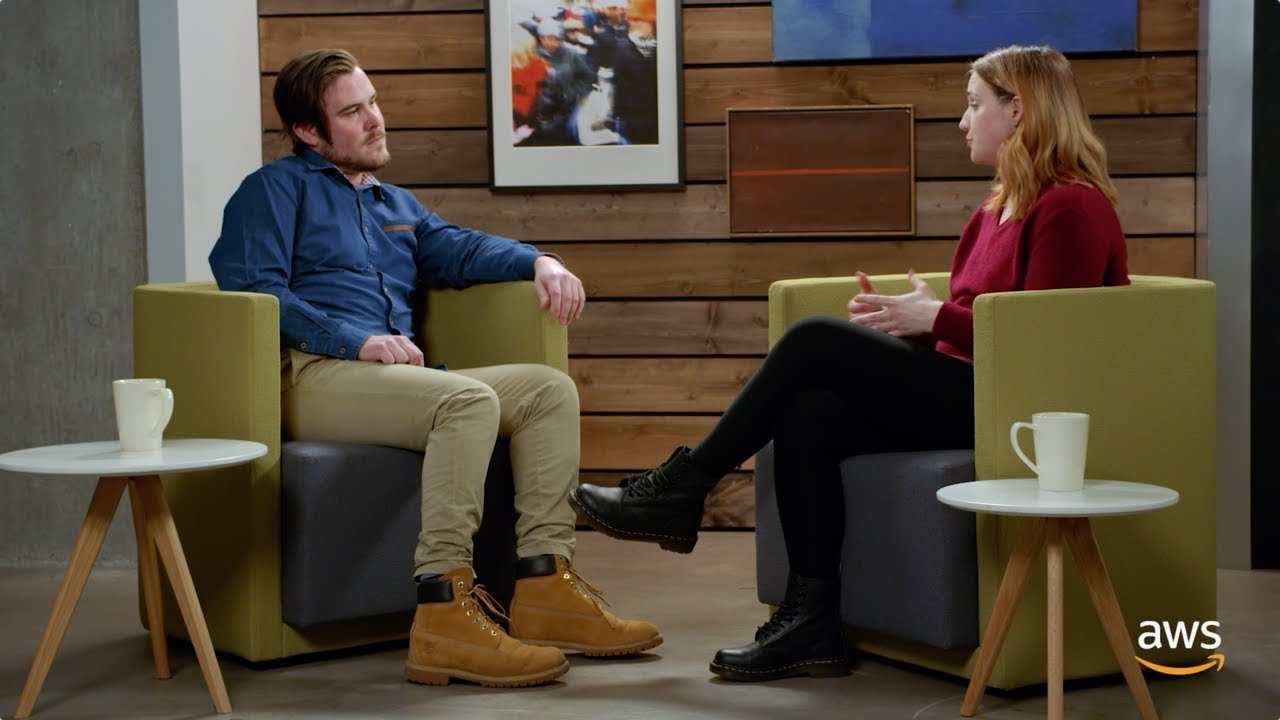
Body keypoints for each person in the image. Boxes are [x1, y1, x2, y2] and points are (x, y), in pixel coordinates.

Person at [571, 45, 1129, 682]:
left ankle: (683, 488)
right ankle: (811, 622)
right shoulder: (995, 209)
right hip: (969, 385)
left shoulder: (1071, 207)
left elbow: (1043, 347)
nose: (962, 121)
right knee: (808, 415)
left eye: (974, 105)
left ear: (1019, 111)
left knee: (814, 339)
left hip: (1016, 410)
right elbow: (982, 325)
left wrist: (935, 319)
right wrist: (915, 319)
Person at [209, 48, 661, 689]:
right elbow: (255, 290)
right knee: (465, 400)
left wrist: (540, 260)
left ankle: (545, 587)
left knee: (547, 391)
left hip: (387, 379)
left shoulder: (394, 202)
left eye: (373, 102)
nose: (375, 119)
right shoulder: (273, 191)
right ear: (308, 131)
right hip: (308, 375)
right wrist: (355, 341)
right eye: (352, 112)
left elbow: (460, 248)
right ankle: (444, 611)